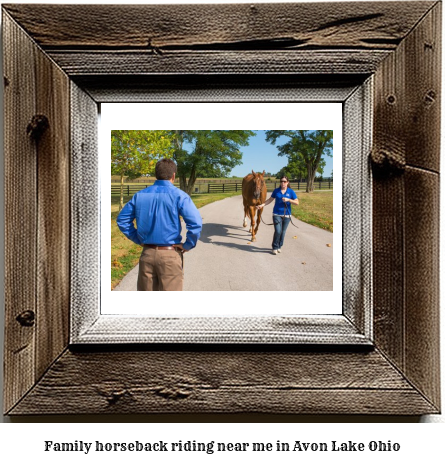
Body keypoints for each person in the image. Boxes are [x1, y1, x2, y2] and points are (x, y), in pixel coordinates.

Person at [116, 158, 202, 291]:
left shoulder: (140, 195)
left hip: (147, 255)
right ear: (174, 176)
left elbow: (122, 220)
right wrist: (187, 245)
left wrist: (137, 239)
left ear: (156, 174)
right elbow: (195, 223)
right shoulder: (180, 196)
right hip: (170, 255)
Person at [256, 176, 299, 255]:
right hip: (276, 214)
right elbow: (270, 200)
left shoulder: (291, 192)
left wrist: (288, 200)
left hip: (287, 215)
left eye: (284, 181)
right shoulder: (276, 191)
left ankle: (279, 246)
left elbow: (297, 202)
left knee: (283, 232)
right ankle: (275, 247)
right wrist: (262, 205)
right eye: (281, 181)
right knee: (278, 231)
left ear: (287, 182)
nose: (283, 183)